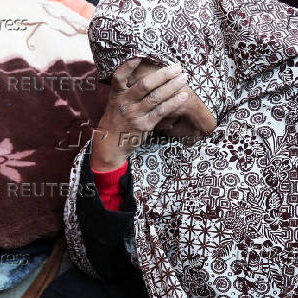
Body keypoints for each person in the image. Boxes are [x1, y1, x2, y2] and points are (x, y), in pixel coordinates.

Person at [44, 0, 298, 297]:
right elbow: (103, 263)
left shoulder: (282, 104)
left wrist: (207, 129)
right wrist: (108, 157)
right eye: (128, 88)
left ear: (202, 56)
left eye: (159, 88)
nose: (150, 110)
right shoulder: (130, 125)